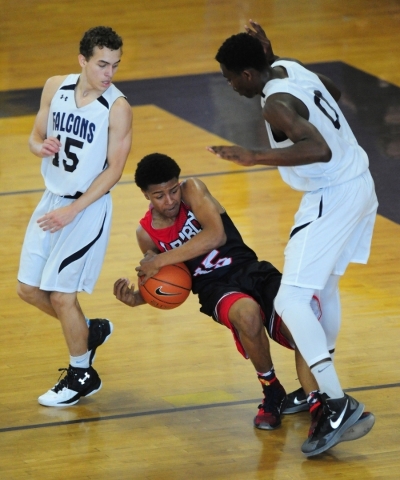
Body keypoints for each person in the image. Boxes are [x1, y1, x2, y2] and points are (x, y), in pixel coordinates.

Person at [113, 153, 373, 443]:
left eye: (172, 190)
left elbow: (216, 236)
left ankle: (317, 403)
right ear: (145, 195)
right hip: (215, 289)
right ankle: (272, 389)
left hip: (250, 269)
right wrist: (140, 299)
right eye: (159, 195)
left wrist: (161, 261)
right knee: (246, 314)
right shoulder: (146, 233)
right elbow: (171, 288)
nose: (170, 200)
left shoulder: (193, 190)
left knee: (303, 322)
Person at [207, 25, 378, 456]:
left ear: (248, 74)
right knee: (324, 289)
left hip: (331, 194)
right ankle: (322, 388)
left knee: (290, 301)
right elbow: (333, 92)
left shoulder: (274, 104)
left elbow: (318, 148)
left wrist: (254, 156)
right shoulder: (288, 69)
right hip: (360, 185)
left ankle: (336, 403)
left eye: (230, 77)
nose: (230, 85)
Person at [17, 26, 133, 407]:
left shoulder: (118, 108)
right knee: (29, 290)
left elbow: (114, 170)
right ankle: (88, 331)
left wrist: (74, 210)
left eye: (114, 65)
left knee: (62, 295)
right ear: (82, 60)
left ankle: (82, 372)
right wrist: (41, 147)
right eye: (102, 64)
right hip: (52, 201)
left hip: (86, 209)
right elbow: (35, 137)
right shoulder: (55, 87)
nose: (109, 74)